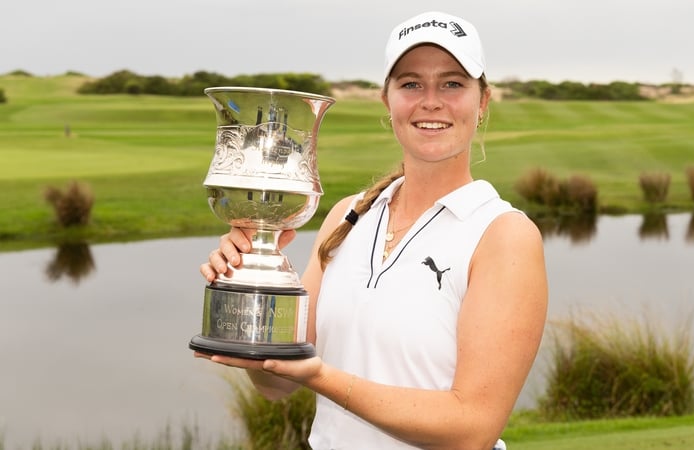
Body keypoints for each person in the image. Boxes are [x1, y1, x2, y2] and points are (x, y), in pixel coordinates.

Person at [198, 10, 548, 449]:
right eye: (411, 84)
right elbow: (277, 384)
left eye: (452, 83)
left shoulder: (503, 234)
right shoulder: (347, 217)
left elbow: (472, 429)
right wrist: (253, 279)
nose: (431, 101)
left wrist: (322, 378)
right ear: (387, 100)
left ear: (482, 102)